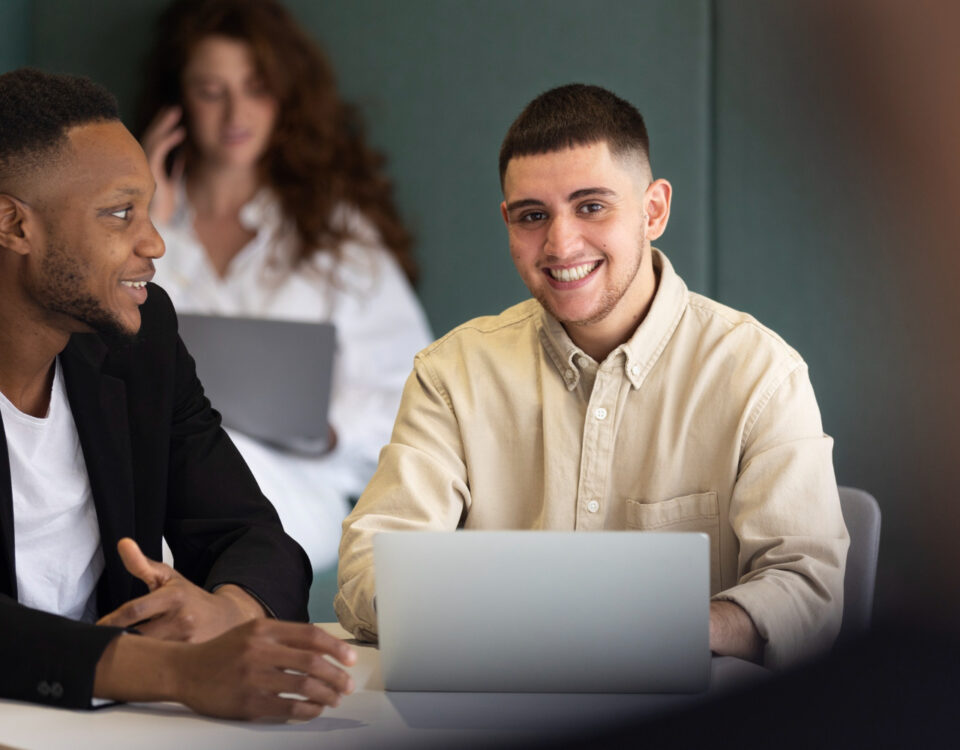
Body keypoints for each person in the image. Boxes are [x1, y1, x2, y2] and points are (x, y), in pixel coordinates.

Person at [336, 84, 849, 670]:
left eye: (591, 206)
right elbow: (366, 568)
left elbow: (809, 592)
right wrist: (513, 621)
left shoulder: (761, 375)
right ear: (508, 223)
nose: (560, 243)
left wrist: (674, 626)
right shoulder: (451, 375)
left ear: (653, 210)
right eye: (533, 216)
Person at [0, 67, 356, 719]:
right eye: (119, 214)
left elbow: (252, 536)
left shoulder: (139, 339)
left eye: (150, 207)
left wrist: (227, 615)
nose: (154, 242)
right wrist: (177, 671)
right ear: (15, 225)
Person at [138, 0, 433, 570]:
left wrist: (328, 432)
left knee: (206, 484)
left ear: (285, 96)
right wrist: (143, 216)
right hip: (161, 470)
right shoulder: (148, 225)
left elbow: (412, 391)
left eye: (256, 87)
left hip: (292, 485)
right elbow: (109, 343)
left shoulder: (336, 237)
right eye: (211, 90)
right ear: (178, 102)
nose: (234, 114)